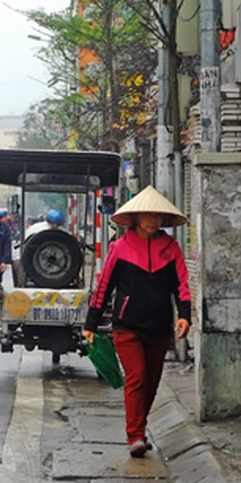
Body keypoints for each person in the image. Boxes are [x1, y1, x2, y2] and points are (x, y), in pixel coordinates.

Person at [82, 186, 191, 458]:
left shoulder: (171, 248)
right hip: (127, 327)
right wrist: (90, 325)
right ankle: (136, 436)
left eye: (157, 216)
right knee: (137, 377)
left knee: (151, 382)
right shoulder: (119, 249)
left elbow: (182, 286)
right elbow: (104, 287)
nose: (152, 220)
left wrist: (185, 316)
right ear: (135, 217)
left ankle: (139, 428)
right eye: (147, 214)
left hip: (159, 328)